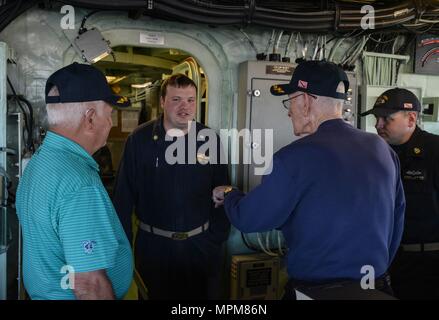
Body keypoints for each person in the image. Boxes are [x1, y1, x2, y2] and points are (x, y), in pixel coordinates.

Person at [212, 60, 405, 299]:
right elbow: (396, 222)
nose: (289, 110)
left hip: (317, 292)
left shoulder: (293, 157)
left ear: (304, 100)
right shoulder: (382, 149)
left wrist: (230, 194)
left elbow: (250, 219)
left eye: (290, 101)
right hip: (376, 289)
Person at [15, 62, 133, 300]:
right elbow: (90, 285)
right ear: (89, 118)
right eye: (109, 115)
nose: (110, 124)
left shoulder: (40, 161)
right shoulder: (79, 184)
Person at [113, 74, 230, 300]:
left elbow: (223, 192)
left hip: (200, 248)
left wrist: (215, 239)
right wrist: (124, 251)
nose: (184, 107)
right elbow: (122, 200)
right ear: (162, 102)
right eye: (176, 99)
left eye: (191, 100)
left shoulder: (210, 139)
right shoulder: (140, 140)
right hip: (154, 249)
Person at [361, 88, 439, 299]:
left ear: (411, 118)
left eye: (386, 118)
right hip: (387, 262)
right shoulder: (378, 154)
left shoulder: (434, 151)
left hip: (428, 265)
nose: (378, 125)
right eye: (377, 118)